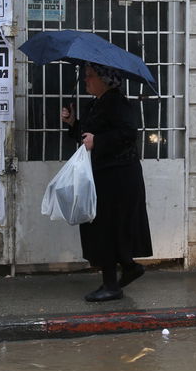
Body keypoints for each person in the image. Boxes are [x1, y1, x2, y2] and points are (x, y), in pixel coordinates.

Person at [61, 62, 153, 301]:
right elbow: (88, 135)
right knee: (102, 227)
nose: (86, 80)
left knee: (107, 228)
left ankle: (111, 285)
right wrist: (73, 124)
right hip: (103, 175)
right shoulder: (96, 103)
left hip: (119, 177)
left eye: (90, 76)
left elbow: (128, 134)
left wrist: (98, 141)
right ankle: (129, 268)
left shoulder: (118, 102)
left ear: (106, 79)